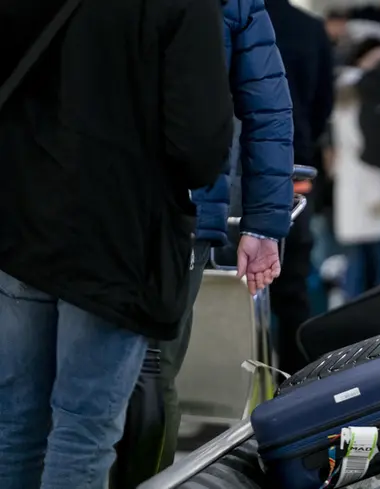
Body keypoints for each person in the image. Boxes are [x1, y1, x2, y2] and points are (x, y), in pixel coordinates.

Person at [0, 0, 234, 487]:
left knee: (15, 426)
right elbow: (199, 142)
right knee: (83, 432)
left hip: (21, 222)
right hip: (118, 238)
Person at [157, 0, 294, 470]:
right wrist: (262, 226)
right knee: (154, 370)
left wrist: (263, 222)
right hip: (184, 205)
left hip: (70, 206)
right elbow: (267, 111)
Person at [266, 0, 335, 374]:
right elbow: (324, 100)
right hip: (295, 162)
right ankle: (295, 378)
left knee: (232, 281)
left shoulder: (221, 18)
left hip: (236, 166)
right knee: (292, 281)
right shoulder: (309, 28)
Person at [331, 38, 380, 299]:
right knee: (373, 266)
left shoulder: (348, 89)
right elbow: (365, 142)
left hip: (359, 187)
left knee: (361, 263)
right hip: (370, 186)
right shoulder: (359, 90)